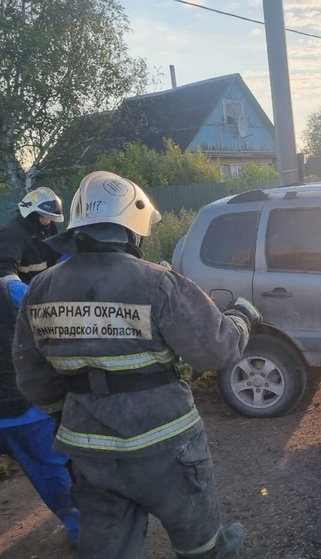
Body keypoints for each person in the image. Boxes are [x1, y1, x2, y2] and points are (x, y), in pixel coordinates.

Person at [13, 171, 262, 558]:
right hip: (166, 445)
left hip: (91, 453)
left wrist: (74, 412)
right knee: (203, 546)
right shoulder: (158, 282)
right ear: (132, 227)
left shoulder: (40, 289)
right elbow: (214, 351)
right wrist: (242, 316)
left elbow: (32, 378)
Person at [0, 273, 79, 544]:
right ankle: (81, 530)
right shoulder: (11, 290)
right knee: (54, 472)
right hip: (22, 411)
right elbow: (61, 322)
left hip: (17, 409)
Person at [0, 187, 64, 284]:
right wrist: (20, 291)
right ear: (31, 213)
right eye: (43, 216)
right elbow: (4, 269)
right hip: (25, 292)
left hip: (44, 288)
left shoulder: (48, 229)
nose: (47, 221)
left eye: (51, 217)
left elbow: (55, 260)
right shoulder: (12, 234)